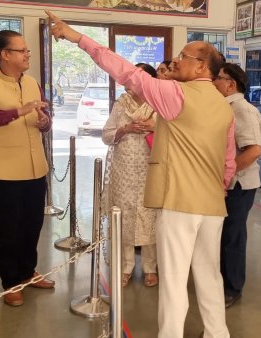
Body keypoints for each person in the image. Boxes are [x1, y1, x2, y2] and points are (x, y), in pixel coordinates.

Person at [47, 10, 236, 338]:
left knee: (175, 280)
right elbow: (228, 161)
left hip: (179, 203)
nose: (176, 62)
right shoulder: (224, 104)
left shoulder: (176, 94)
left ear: (202, 66)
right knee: (210, 275)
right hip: (213, 205)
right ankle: (218, 333)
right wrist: (219, 188)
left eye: (183, 57)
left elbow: (125, 72)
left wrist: (77, 37)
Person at [0, 30, 55, 307]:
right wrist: (18, 111)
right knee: (8, 230)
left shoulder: (32, 83)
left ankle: (28, 272)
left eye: (27, 51)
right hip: (5, 171)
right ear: (5, 55)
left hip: (35, 168)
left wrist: (44, 122)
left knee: (33, 225)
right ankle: (11, 282)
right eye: (22, 50)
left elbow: (44, 119)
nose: (27, 55)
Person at [101, 63, 159, 288]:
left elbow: (174, 134)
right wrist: (125, 129)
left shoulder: (159, 104)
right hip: (123, 168)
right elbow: (106, 135)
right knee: (124, 216)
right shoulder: (121, 104)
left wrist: (154, 128)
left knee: (149, 215)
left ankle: (150, 268)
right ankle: (126, 266)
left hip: (150, 166)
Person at [212, 63, 261, 308]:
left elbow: (253, 150)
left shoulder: (242, 109)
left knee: (233, 235)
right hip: (227, 182)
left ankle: (233, 287)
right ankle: (221, 280)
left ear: (231, 84)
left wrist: (226, 175)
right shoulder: (223, 108)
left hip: (239, 184)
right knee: (222, 234)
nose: (214, 82)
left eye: (218, 78)